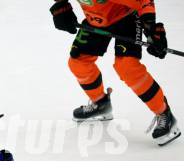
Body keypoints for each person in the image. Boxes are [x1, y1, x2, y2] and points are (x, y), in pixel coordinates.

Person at [50, 0, 181, 146]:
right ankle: (101, 104)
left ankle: (164, 113)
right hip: (95, 19)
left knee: (126, 67)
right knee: (78, 63)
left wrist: (151, 29)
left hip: (126, 18)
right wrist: (61, 6)